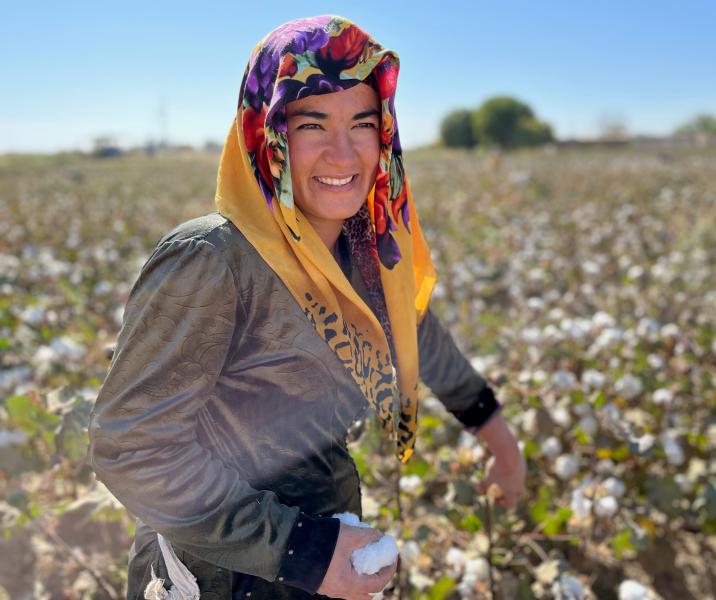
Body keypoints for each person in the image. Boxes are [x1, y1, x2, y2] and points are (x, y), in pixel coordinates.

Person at [88, 15, 526, 600]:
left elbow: (415, 334)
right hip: (217, 575)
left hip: (317, 560)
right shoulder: (214, 260)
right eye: (312, 123)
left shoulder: (364, 249)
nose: (343, 151)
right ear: (266, 132)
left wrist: (498, 438)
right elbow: (131, 446)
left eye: (362, 123)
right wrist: (304, 550)